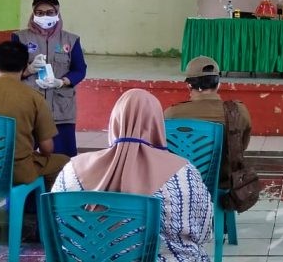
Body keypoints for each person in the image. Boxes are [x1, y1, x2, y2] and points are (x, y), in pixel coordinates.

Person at [52, 89, 213, 262]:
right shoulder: (183, 173)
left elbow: (57, 227)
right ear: (157, 124)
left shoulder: (72, 170)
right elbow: (203, 233)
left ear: (115, 121)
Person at [0, 41, 70, 239]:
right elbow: (47, 148)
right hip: (16, 172)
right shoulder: (34, 97)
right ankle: (48, 222)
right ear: (25, 66)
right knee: (63, 163)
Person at [164, 56, 256, 208]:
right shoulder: (238, 112)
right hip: (222, 184)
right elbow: (241, 148)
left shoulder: (171, 114)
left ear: (189, 85)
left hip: (180, 185)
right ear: (218, 84)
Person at [12, 0, 87, 157]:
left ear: (57, 12)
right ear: (33, 13)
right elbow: (9, 70)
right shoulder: (19, 38)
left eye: (49, 12)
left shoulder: (71, 40)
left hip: (60, 109)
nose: (44, 16)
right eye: (39, 13)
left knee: (63, 159)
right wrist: (28, 70)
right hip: (28, 108)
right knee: (22, 157)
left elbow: (80, 69)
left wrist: (62, 82)